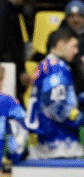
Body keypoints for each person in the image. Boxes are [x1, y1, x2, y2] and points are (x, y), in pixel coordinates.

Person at [25, 28, 84, 158]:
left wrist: (78, 98)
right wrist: (80, 117)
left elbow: (52, 98)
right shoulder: (56, 67)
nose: (76, 51)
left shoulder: (45, 65)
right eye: (74, 46)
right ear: (60, 44)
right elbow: (54, 105)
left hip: (45, 141)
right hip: (58, 144)